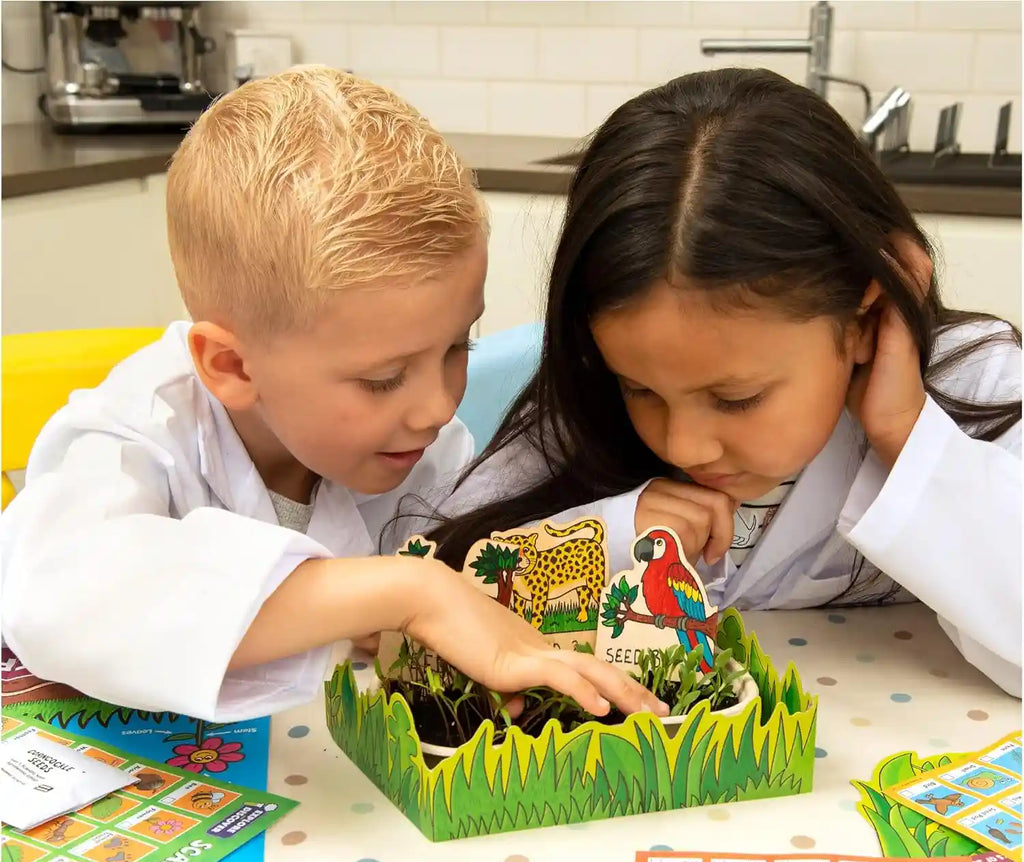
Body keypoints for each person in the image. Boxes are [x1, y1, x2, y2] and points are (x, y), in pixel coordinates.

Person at [1, 67, 664, 723]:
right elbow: (62, 597)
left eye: (458, 346)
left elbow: (473, 559)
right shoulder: (135, 434)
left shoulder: (411, 441)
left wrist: (621, 532)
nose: (438, 407)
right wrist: (405, 594)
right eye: (382, 378)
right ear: (233, 365)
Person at [430, 68, 1021, 697]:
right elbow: (429, 579)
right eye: (640, 390)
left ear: (868, 308)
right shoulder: (587, 410)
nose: (684, 447)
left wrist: (906, 437)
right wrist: (614, 532)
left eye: (736, 399)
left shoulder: (978, 383)